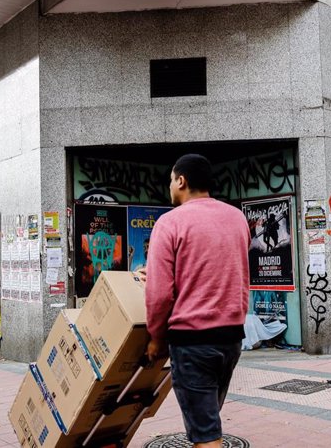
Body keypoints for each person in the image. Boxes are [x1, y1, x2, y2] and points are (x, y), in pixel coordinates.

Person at [144, 154, 250, 448]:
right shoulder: (237, 218)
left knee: (205, 434)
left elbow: (159, 294)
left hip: (192, 342)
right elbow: (236, 274)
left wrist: (156, 337)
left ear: (181, 181)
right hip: (231, 339)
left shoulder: (170, 223)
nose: (169, 187)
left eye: (170, 181)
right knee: (207, 419)